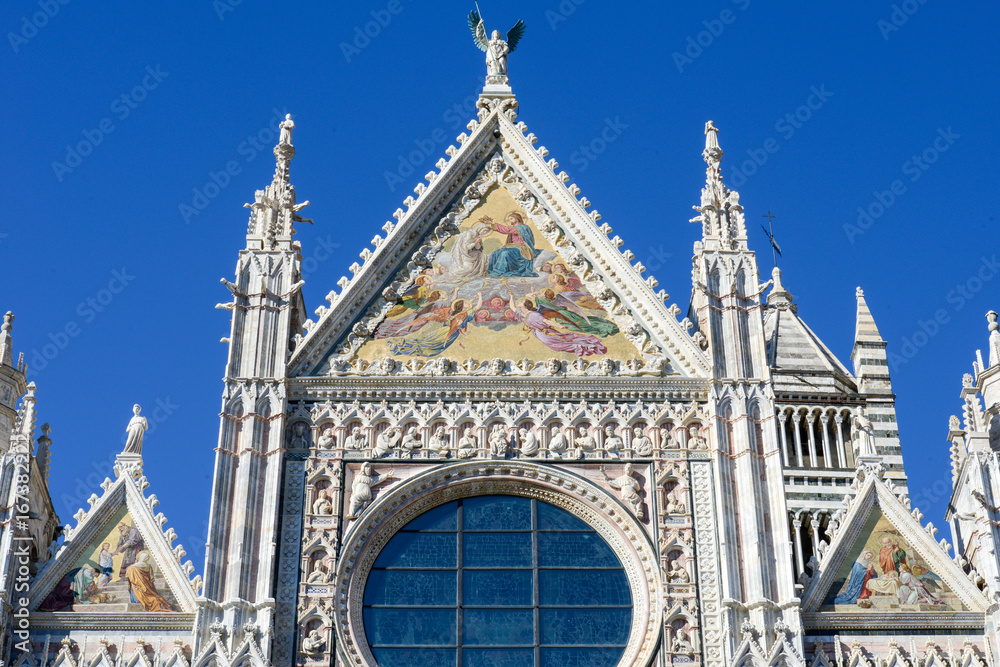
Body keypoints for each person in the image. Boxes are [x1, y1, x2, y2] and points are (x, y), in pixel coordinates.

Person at [486, 213, 539, 278]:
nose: (510, 220)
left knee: (505, 253)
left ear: (517, 218)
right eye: (509, 219)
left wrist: (493, 223)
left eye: (511, 218)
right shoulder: (515, 228)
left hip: (522, 248)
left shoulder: (522, 227)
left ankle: (499, 272)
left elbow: (507, 229)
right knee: (496, 253)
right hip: (512, 247)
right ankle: (492, 271)